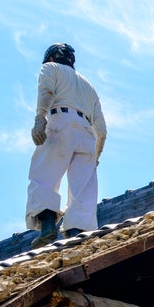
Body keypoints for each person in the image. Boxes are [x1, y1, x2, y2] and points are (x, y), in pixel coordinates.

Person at [26, 43, 107, 249]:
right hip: (88, 134)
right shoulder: (88, 85)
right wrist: (95, 156)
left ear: (51, 57)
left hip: (60, 121)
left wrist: (39, 118)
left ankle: (47, 226)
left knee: (44, 174)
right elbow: (102, 129)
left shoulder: (50, 68)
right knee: (83, 188)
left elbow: (46, 91)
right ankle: (76, 236)